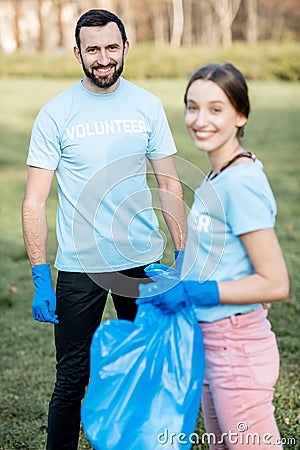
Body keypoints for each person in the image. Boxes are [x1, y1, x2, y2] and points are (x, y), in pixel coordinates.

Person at [22, 9, 186, 450]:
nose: (103, 57)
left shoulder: (147, 105)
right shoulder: (55, 113)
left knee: (149, 370)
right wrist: (40, 274)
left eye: (111, 47)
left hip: (143, 263)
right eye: (92, 49)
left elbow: (170, 183)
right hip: (81, 267)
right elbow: (34, 200)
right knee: (72, 380)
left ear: (125, 47)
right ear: (77, 52)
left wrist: (182, 258)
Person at [138, 63, 289, 449]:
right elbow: (220, 256)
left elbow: (274, 282)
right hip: (211, 341)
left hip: (236, 348)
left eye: (216, 109)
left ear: (241, 115)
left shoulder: (241, 184)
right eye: (192, 107)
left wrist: (193, 292)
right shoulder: (217, 175)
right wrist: (176, 277)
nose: (200, 120)